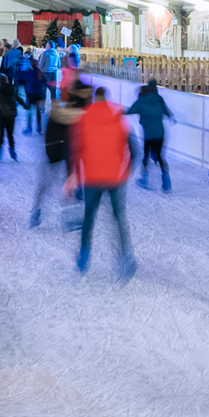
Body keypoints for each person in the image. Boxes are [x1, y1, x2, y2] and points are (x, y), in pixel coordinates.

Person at [74, 86, 136, 283]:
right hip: (116, 178)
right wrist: (127, 171)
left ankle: (84, 254)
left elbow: (76, 148)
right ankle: (125, 256)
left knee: (89, 216)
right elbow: (134, 148)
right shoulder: (119, 118)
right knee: (118, 217)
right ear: (107, 99)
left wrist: (75, 175)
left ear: (95, 99)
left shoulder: (84, 118)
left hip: (92, 176)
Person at [30, 85, 85, 228]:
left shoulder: (55, 112)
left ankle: (36, 212)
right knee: (64, 186)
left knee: (47, 185)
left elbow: (48, 136)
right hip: (63, 154)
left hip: (55, 154)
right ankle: (66, 218)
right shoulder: (72, 115)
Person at [123, 78, 174, 190]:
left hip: (148, 135)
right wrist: (171, 117)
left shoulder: (141, 102)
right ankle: (166, 177)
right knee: (160, 156)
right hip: (160, 133)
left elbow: (129, 111)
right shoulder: (158, 99)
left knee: (145, 155)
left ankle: (144, 178)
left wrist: (117, 112)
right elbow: (165, 110)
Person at [0, 71, 21, 162]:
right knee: (10, 135)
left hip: (2, 116)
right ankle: (12, 151)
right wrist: (25, 105)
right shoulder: (12, 90)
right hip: (11, 116)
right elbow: (18, 99)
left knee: (1, 134)